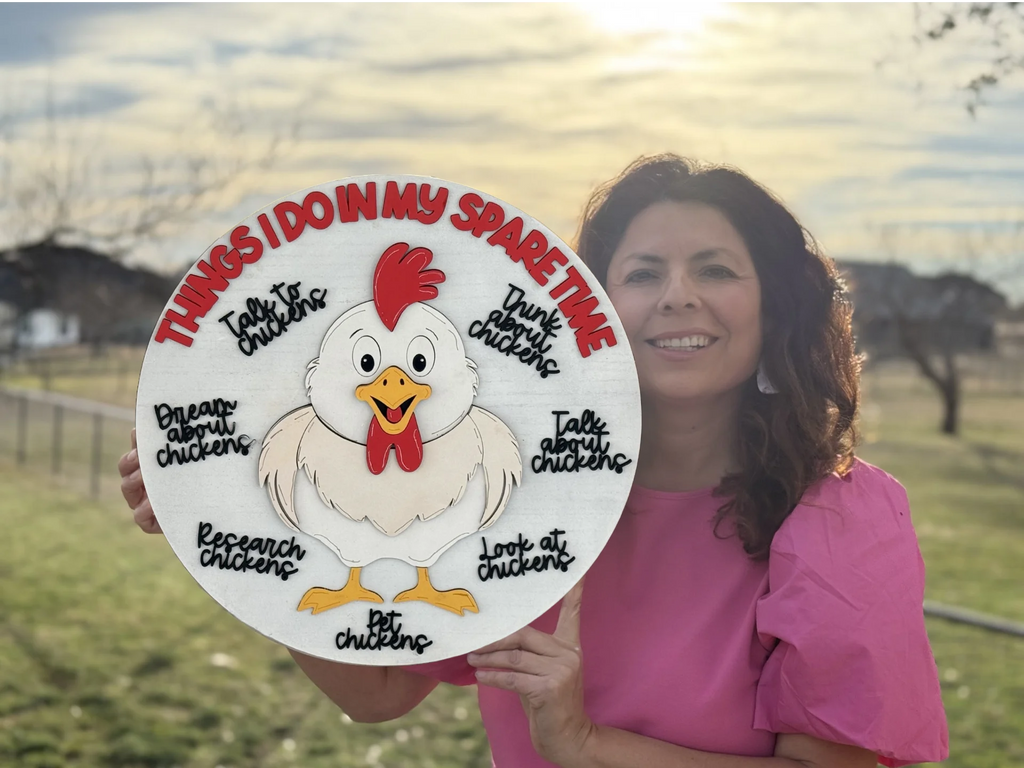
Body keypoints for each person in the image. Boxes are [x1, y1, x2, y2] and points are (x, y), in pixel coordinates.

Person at [119, 155, 949, 768]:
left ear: (776, 310)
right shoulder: (525, 495)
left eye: (717, 270)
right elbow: (375, 693)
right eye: (643, 273)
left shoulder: (840, 516)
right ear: (594, 308)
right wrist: (230, 529)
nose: (677, 297)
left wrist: (586, 744)